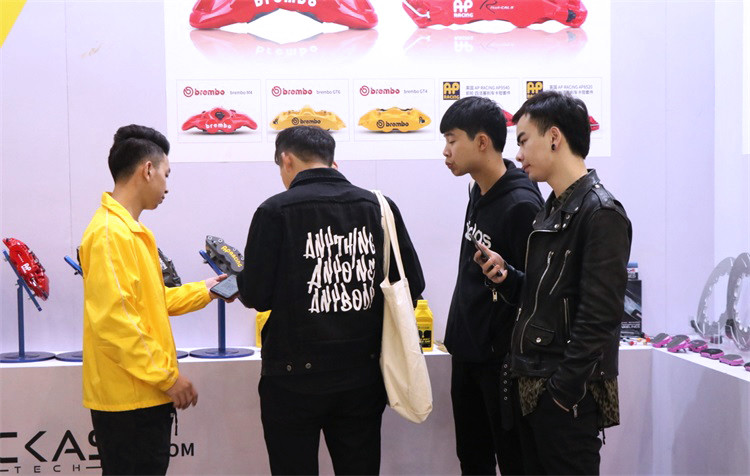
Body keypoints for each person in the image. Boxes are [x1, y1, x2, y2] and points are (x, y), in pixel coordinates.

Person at [237, 125, 425, 475]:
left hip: (292, 378)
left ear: (286, 160)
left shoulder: (274, 211)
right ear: (330, 159)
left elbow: (257, 296)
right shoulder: (379, 207)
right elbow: (412, 284)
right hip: (362, 376)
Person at [475, 91, 632, 475]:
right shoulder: (552, 209)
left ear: (555, 137)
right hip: (533, 389)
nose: (518, 155)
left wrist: (561, 393)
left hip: (564, 399)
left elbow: (600, 318)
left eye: (524, 140)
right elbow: (546, 297)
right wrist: (508, 278)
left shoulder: (601, 213)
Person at [79, 124, 227, 475]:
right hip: (130, 402)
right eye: (166, 174)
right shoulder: (110, 234)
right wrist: (168, 378)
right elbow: (116, 323)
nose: (167, 186)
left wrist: (207, 289)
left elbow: (151, 302)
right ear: (148, 170)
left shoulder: (132, 232)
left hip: (142, 395)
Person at [440, 96, 543, 475]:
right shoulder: (478, 191)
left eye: (452, 140)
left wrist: (507, 276)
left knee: (514, 460)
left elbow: (538, 293)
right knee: (472, 458)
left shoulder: (521, 204)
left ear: (481, 142)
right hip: (468, 352)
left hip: (501, 364)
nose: (446, 151)